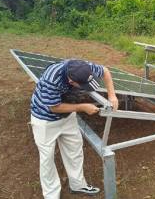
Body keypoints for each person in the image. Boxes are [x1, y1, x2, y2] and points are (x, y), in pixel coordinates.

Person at [30, 59, 119, 198]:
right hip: (45, 120)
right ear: (71, 81)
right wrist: (82, 107)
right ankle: (51, 195)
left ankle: (78, 185)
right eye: (83, 85)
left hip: (67, 117)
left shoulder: (82, 67)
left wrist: (112, 95)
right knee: (47, 159)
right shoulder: (52, 79)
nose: (86, 87)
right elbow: (54, 107)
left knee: (75, 149)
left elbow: (105, 71)